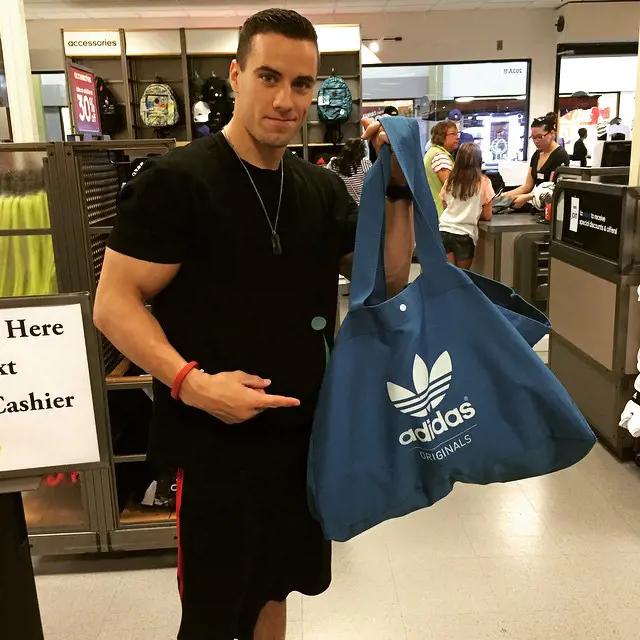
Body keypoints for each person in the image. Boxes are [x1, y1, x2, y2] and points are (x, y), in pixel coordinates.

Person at [93, 9, 414, 640]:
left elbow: (391, 275)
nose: (285, 99)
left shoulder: (317, 190)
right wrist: (192, 383)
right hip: (215, 448)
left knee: (277, 590)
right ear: (236, 75)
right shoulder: (177, 183)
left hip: (302, 439)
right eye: (268, 77)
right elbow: (115, 303)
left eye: (302, 84)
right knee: (214, 614)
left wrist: (399, 189)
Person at [439, 142, 493, 269]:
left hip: (444, 231)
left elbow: (444, 203)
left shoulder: (451, 180)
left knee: (450, 276)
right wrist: (472, 213)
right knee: (463, 277)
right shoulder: (483, 181)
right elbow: (487, 215)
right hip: (464, 235)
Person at [504, 113, 569, 209]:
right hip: (536, 204)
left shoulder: (560, 155)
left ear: (551, 133)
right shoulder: (536, 155)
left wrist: (527, 197)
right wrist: (506, 195)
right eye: (533, 137)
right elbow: (527, 186)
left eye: (540, 137)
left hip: (551, 208)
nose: (536, 141)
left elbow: (550, 189)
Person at [424, 120, 459, 217]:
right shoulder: (440, 157)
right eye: (453, 134)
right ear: (442, 137)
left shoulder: (435, 152)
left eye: (457, 133)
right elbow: (452, 188)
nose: (457, 137)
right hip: (441, 214)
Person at [327, 138, 372, 205]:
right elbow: (372, 183)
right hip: (360, 205)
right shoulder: (364, 163)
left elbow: (328, 179)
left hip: (341, 204)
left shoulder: (334, 163)